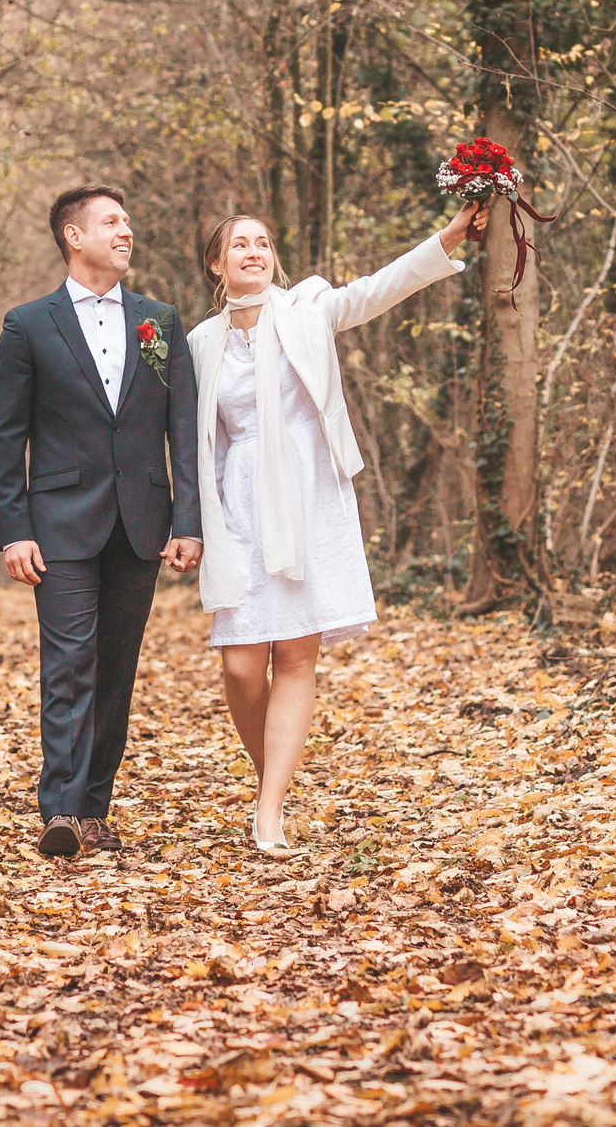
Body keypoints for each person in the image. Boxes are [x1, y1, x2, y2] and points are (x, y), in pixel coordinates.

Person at [185, 200, 482, 852]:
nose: (255, 252)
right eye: (240, 244)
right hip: (237, 508)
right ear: (216, 261)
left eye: (263, 242)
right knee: (240, 666)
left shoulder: (307, 308)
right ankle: (276, 782)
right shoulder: (199, 345)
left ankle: (268, 814)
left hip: (309, 498)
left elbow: (378, 289)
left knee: (293, 655)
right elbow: (190, 442)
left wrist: (449, 234)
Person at [0, 185, 202, 858]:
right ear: (74, 237)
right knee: (68, 660)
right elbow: (4, 435)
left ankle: (95, 807)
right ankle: (61, 807)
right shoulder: (28, 324)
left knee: (115, 667)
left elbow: (183, 429)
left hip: (140, 520)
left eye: (128, 221)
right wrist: (13, 527)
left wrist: (187, 520)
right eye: (112, 221)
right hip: (58, 522)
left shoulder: (160, 322)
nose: (126, 230)